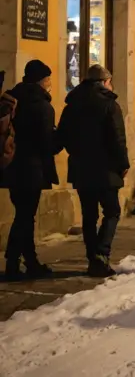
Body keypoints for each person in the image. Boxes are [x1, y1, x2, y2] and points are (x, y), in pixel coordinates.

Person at [57, 64, 128, 277]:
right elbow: (117, 138)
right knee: (112, 211)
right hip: (106, 168)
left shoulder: (72, 105)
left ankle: (92, 257)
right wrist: (122, 164)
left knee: (89, 215)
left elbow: (63, 136)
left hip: (81, 167)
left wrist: (77, 153)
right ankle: (101, 254)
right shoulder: (109, 105)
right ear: (105, 82)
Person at [2, 60, 59, 279]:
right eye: (48, 79)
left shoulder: (13, 98)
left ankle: (28, 261)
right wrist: (59, 140)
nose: (50, 83)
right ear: (42, 80)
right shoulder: (42, 105)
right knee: (25, 216)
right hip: (32, 167)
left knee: (23, 214)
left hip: (11, 165)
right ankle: (14, 262)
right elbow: (47, 143)